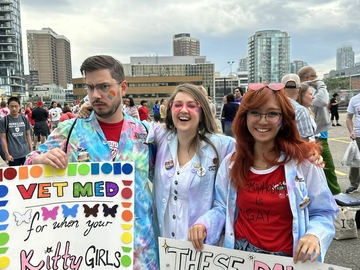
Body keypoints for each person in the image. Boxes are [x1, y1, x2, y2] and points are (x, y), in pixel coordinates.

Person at [25, 55, 159, 269]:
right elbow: (28, 162)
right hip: (89, 251)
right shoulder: (71, 131)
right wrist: (41, 159)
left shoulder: (145, 133)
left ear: (123, 87)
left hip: (140, 252)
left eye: (104, 86)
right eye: (90, 87)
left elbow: (168, 179)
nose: (95, 95)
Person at [188, 83, 338, 264]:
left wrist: (314, 235)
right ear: (245, 117)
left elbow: (324, 211)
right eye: (255, 113)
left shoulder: (303, 163)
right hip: (241, 257)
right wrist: (204, 224)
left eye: (272, 113)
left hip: (288, 261)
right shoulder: (232, 163)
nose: (263, 120)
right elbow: (222, 207)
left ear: (283, 119)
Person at [148, 83, 235, 241]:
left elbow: (227, 201)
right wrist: (89, 113)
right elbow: (127, 128)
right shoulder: (159, 138)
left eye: (191, 105)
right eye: (178, 105)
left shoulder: (223, 147)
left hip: (199, 248)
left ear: (201, 112)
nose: (183, 110)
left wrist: (207, 224)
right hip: (164, 244)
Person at [298, 66, 342, 195]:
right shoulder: (306, 88)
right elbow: (322, 101)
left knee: (321, 166)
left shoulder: (309, 88)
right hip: (315, 134)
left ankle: (330, 192)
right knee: (324, 165)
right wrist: (322, 85)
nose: (311, 97)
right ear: (308, 78)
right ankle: (334, 192)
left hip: (318, 131)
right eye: (315, 77)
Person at [281, 74, 314, 141]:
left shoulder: (273, 106)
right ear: (300, 89)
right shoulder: (301, 110)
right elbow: (304, 141)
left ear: (281, 89)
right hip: (291, 150)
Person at [0, 97, 32, 166]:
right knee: (15, 175)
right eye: (11, 106)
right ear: (8, 107)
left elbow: (28, 135)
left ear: (19, 107)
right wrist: (7, 154)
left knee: (26, 175)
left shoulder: (24, 119)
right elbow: (3, 138)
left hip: (25, 153)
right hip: (13, 155)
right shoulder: (4, 121)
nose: (14, 109)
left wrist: (31, 151)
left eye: (16, 106)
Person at [345, 93, 360, 193]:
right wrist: (351, 131)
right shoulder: (355, 100)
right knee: (355, 161)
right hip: (358, 135)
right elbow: (349, 118)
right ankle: (354, 184)